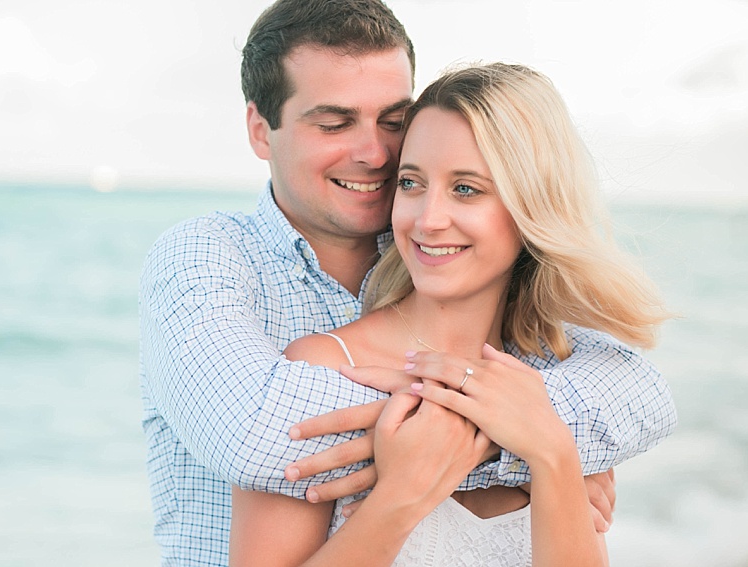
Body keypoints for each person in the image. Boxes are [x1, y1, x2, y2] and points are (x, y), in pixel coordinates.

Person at [138, 1, 677, 564]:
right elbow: (253, 430)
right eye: (333, 122)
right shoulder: (208, 257)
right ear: (259, 129)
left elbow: (638, 391)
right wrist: (496, 437)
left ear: (531, 207)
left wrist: (544, 443)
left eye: (393, 123)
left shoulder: (535, 381)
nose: (376, 156)